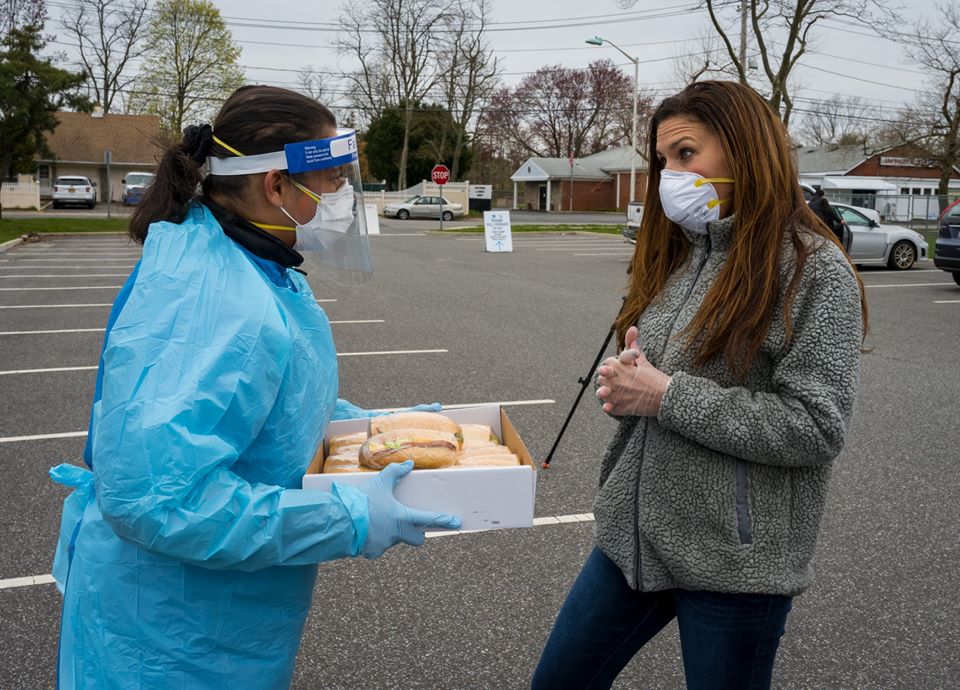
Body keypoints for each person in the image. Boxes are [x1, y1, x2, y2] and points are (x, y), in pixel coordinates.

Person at [49, 85, 460, 689]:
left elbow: (265, 405)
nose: (340, 197)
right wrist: (345, 516)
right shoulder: (211, 298)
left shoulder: (245, 258)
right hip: (169, 637)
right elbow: (156, 499)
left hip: (218, 617)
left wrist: (368, 428)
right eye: (332, 179)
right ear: (276, 185)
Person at [532, 81, 868, 690]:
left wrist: (666, 395)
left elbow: (816, 427)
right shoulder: (683, 255)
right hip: (632, 537)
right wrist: (627, 386)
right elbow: (651, 389)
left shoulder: (815, 272)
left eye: (686, 154)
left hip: (735, 563)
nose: (669, 175)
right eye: (663, 161)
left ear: (745, 151)